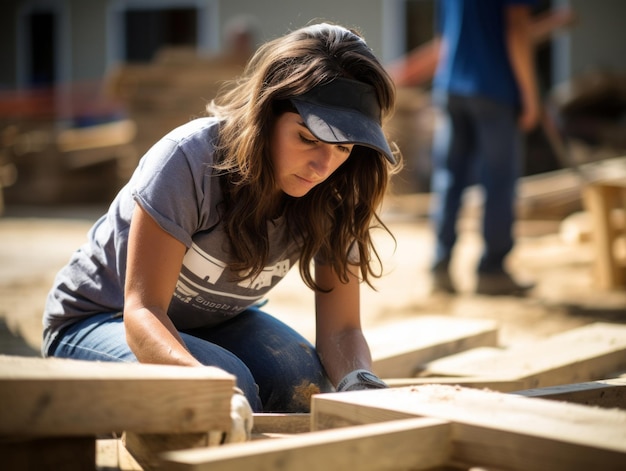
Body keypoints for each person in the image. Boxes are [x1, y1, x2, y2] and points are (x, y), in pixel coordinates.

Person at [42, 23, 398, 425]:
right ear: (266, 112)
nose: (323, 166)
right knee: (232, 389)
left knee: (303, 386)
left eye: (343, 148)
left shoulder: (338, 190)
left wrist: (361, 384)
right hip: (100, 321)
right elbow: (142, 312)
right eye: (307, 138)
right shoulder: (187, 161)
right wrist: (204, 385)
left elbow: (342, 330)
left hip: (216, 323)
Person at [428, 0, 540, 295]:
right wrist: (530, 95)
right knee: (499, 181)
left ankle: (440, 263)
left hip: (451, 85)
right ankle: (492, 270)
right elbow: (517, 29)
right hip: (494, 87)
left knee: (449, 178)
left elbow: (445, 37)